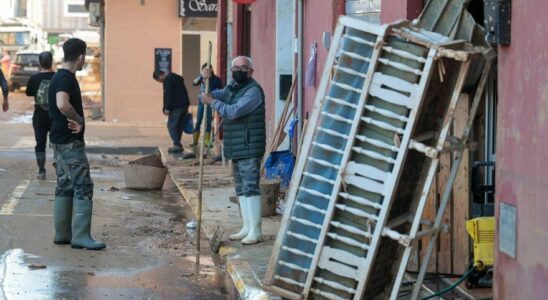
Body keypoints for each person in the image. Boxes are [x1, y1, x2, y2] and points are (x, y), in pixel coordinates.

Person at [48, 38, 105, 250]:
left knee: (64, 184)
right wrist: (79, 120)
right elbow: (62, 103)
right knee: (83, 185)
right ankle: (81, 236)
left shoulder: (58, 76)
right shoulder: (66, 78)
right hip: (70, 141)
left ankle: (63, 234)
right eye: (84, 58)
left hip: (58, 139)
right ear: (80, 57)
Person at [202, 56, 265, 245]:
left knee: (250, 187)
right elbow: (206, 96)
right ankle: (246, 226)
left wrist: (212, 102)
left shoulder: (253, 91)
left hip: (249, 145)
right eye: (235, 67)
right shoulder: (231, 88)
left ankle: (256, 230)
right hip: (235, 146)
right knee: (240, 188)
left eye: (243, 68)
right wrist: (206, 79)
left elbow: (233, 111)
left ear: (251, 71)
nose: (238, 71)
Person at [25, 51, 55, 179]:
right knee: (57, 142)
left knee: (40, 143)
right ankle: (59, 168)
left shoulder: (34, 78)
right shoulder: (57, 77)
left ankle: (41, 171)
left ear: (39, 63)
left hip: (39, 115)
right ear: (51, 62)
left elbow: (28, 93)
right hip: (55, 115)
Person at [153, 70, 190, 153]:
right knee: (179, 126)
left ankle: (177, 145)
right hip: (184, 105)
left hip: (176, 107)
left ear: (159, 76)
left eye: (158, 80)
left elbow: (168, 95)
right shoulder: (176, 77)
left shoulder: (167, 80)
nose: (160, 82)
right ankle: (176, 143)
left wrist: (166, 108)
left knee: (171, 125)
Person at [191, 63, 223, 146]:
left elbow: (221, 90)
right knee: (198, 120)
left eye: (208, 69)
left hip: (210, 102)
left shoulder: (216, 79)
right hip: (201, 102)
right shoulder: (201, 77)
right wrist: (201, 76)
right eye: (204, 69)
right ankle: (195, 140)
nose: (207, 71)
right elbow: (194, 83)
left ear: (211, 70)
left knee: (209, 121)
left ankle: (207, 140)